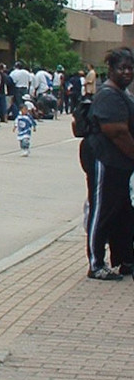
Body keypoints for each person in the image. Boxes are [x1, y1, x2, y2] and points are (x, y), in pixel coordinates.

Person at [80, 48, 134, 280]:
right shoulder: (109, 95)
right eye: (122, 68)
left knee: (122, 212)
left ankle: (124, 260)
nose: (127, 72)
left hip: (120, 162)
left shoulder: (123, 94)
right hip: (105, 158)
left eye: (130, 68)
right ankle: (96, 263)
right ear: (110, 70)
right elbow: (116, 131)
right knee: (101, 210)